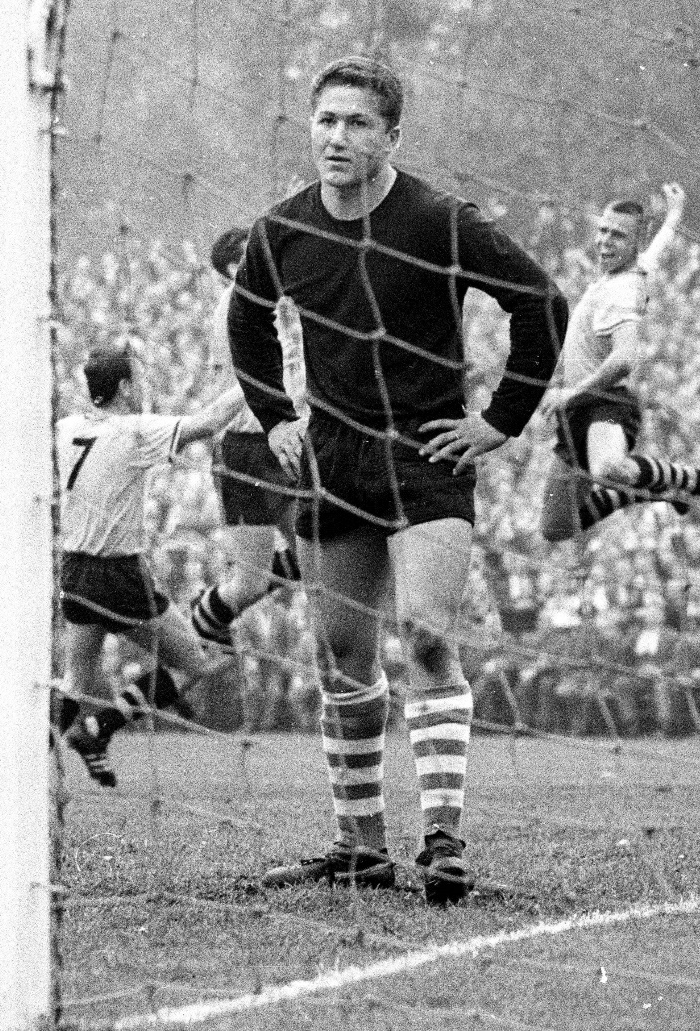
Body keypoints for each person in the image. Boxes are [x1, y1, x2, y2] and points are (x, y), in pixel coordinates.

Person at [229, 55, 566, 904]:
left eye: (357, 124)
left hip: (426, 456)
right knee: (340, 654)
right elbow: (246, 322)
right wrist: (276, 416)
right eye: (326, 120)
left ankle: (443, 840)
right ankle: (361, 848)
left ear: (392, 138)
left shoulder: (438, 221)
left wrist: (500, 419)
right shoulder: (282, 231)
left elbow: (540, 302)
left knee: (422, 632)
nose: (337, 137)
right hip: (333, 461)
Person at [56, 347, 245, 787]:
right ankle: (99, 729)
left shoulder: (66, 429)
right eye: (137, 381)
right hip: (119, 575)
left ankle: (30, 754)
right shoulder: (135, 431)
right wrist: (257, 375)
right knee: (194, 665)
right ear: (123, 387)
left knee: (75, 677)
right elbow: (211, 420)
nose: (143, 390)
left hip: (75, 570)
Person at [538, 184, 700, 543]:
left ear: (634, 242)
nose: (605, 241)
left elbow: (623, 360)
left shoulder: (620, 293)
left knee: (609, 469)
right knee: (556, 528)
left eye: (617, 235)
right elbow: (653, 255)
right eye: (603, 230)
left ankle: (697, 480)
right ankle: (648, 493)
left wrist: (572, 393)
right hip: (577, 411)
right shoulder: (627, 275)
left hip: (605, 402)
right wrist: (674, 217)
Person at [189, 227, 304, 652]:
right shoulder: (235, 308)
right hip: (246, 451)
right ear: (236, 268)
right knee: (251, 584)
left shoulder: (279, 298)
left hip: (286, 441)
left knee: (319, 558)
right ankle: (201, 620)